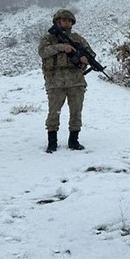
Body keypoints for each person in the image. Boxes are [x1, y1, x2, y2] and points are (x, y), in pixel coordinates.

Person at [38, 9, 96, 153]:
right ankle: (52, 142)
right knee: (54, 112)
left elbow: (91, 54)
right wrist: (61, 47)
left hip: (76, 80)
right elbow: (43, 52)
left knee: (76, 111)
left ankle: (74, 140)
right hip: (55, 81)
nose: (66, 23)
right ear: (57, 22)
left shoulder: (78, 39)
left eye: (69, 21)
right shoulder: (48, 39)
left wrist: (85, 59)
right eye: (63, 20)